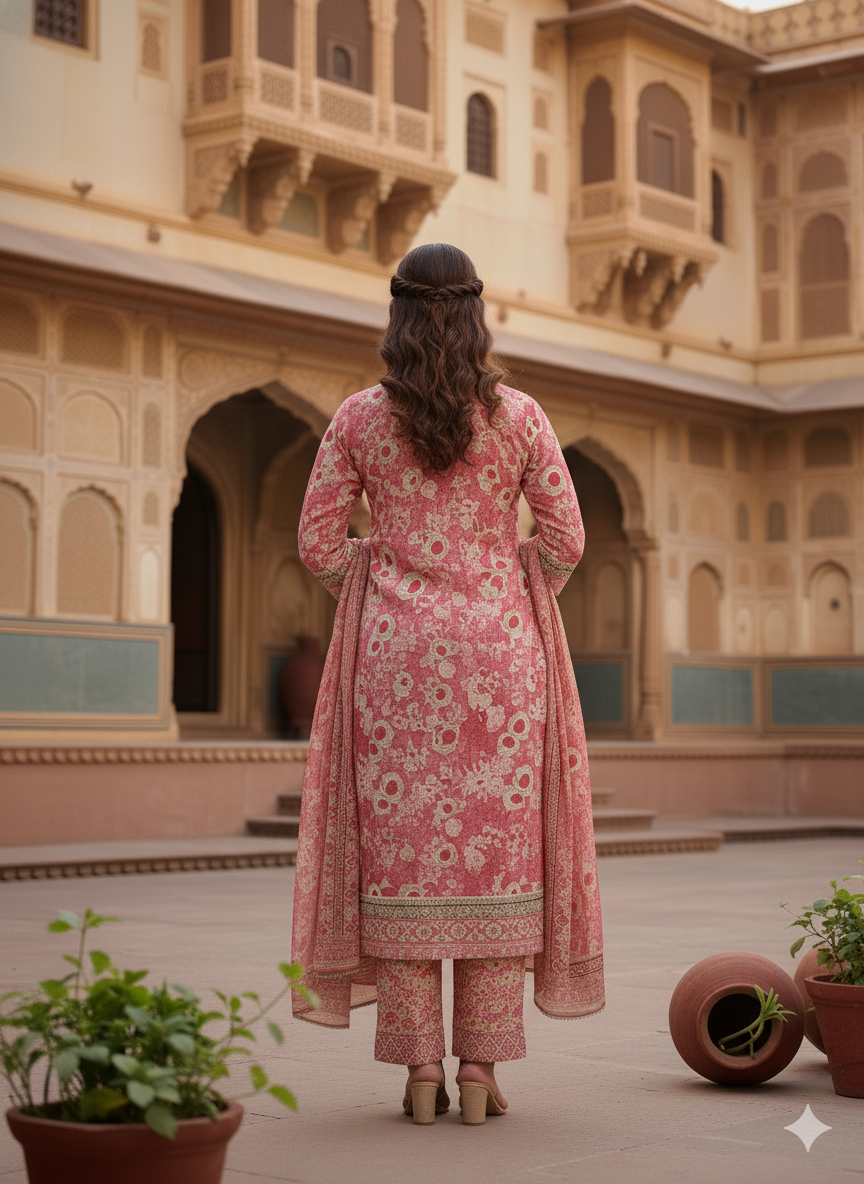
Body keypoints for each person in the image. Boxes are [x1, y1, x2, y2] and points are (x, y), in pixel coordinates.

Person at [291, 243, 603, 1126]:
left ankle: (419, 1071)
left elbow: (317, 546)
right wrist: (506, 579)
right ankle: (478, 1074)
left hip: (393, 663)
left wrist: (378, 569)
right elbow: (567, 540)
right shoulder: (522, 418)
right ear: (477, 313)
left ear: (395, 314)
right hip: (501, 658)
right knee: (496, 861)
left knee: (405, 861)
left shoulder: (357, 418)